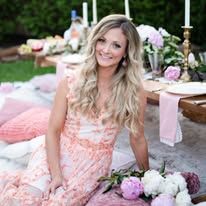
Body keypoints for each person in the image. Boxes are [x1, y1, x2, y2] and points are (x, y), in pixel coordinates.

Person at [0, 14, 149, 205]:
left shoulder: (134, 92)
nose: (105, 49)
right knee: (24, 201)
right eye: (102, 41)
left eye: (116, 45)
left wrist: (148, 177)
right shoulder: (71, 81)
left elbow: (137, 138)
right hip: (54, 154)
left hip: (91, 165)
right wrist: (56, 175)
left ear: (127, 51)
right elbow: (53, 131)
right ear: (94, 41)